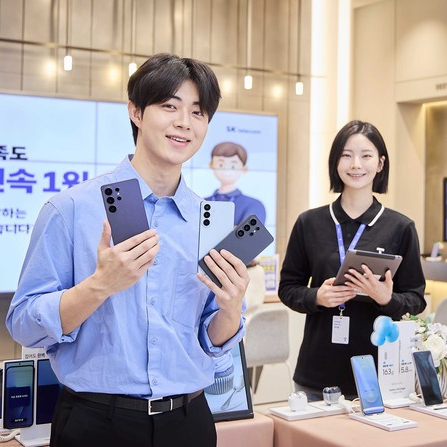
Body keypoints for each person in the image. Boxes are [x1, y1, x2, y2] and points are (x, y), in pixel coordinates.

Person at [6, 53, 249, 447]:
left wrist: (231, 308)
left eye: (198, 112)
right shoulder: (71, 209)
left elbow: (212, 341)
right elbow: (23, 324)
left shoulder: (210, 221)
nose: (184, 122)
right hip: (96, 423)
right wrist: (100, 285)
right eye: (169, 106)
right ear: (136, 112)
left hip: (188, 422)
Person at [278, 120, 426, 401]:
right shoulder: (309, 223)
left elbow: (416, 300)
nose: (356, 164)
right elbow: (287, 289)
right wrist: (317, 297)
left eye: (366, 155)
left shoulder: (400, 227)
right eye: (346, 155)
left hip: (380, 374)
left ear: (380, 164)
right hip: (316, 373)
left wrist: (386, 299)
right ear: (335, 162)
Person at [206, 141, 266, 225]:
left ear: (244, 168)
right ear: (211, 165)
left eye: (233, 166)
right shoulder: (200, 203)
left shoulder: (254, 205)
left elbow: (251, 233)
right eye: (221, 165)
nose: (226, 169)